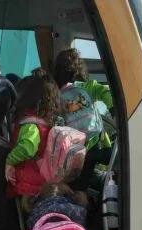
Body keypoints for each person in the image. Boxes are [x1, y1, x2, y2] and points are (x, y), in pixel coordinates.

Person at [54, 48, 114, 190]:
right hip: (96, 143)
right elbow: (104, 92)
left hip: (73, 149)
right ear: (79, 70)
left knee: (78, 184)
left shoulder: (57, 95)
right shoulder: (87, 87)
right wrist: (112, 108)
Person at [5, 73, 61, 200]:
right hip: (41, 185)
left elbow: (28, 147)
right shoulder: (45, 124)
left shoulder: (30, 123)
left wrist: (9, 160)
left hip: (25, 186)